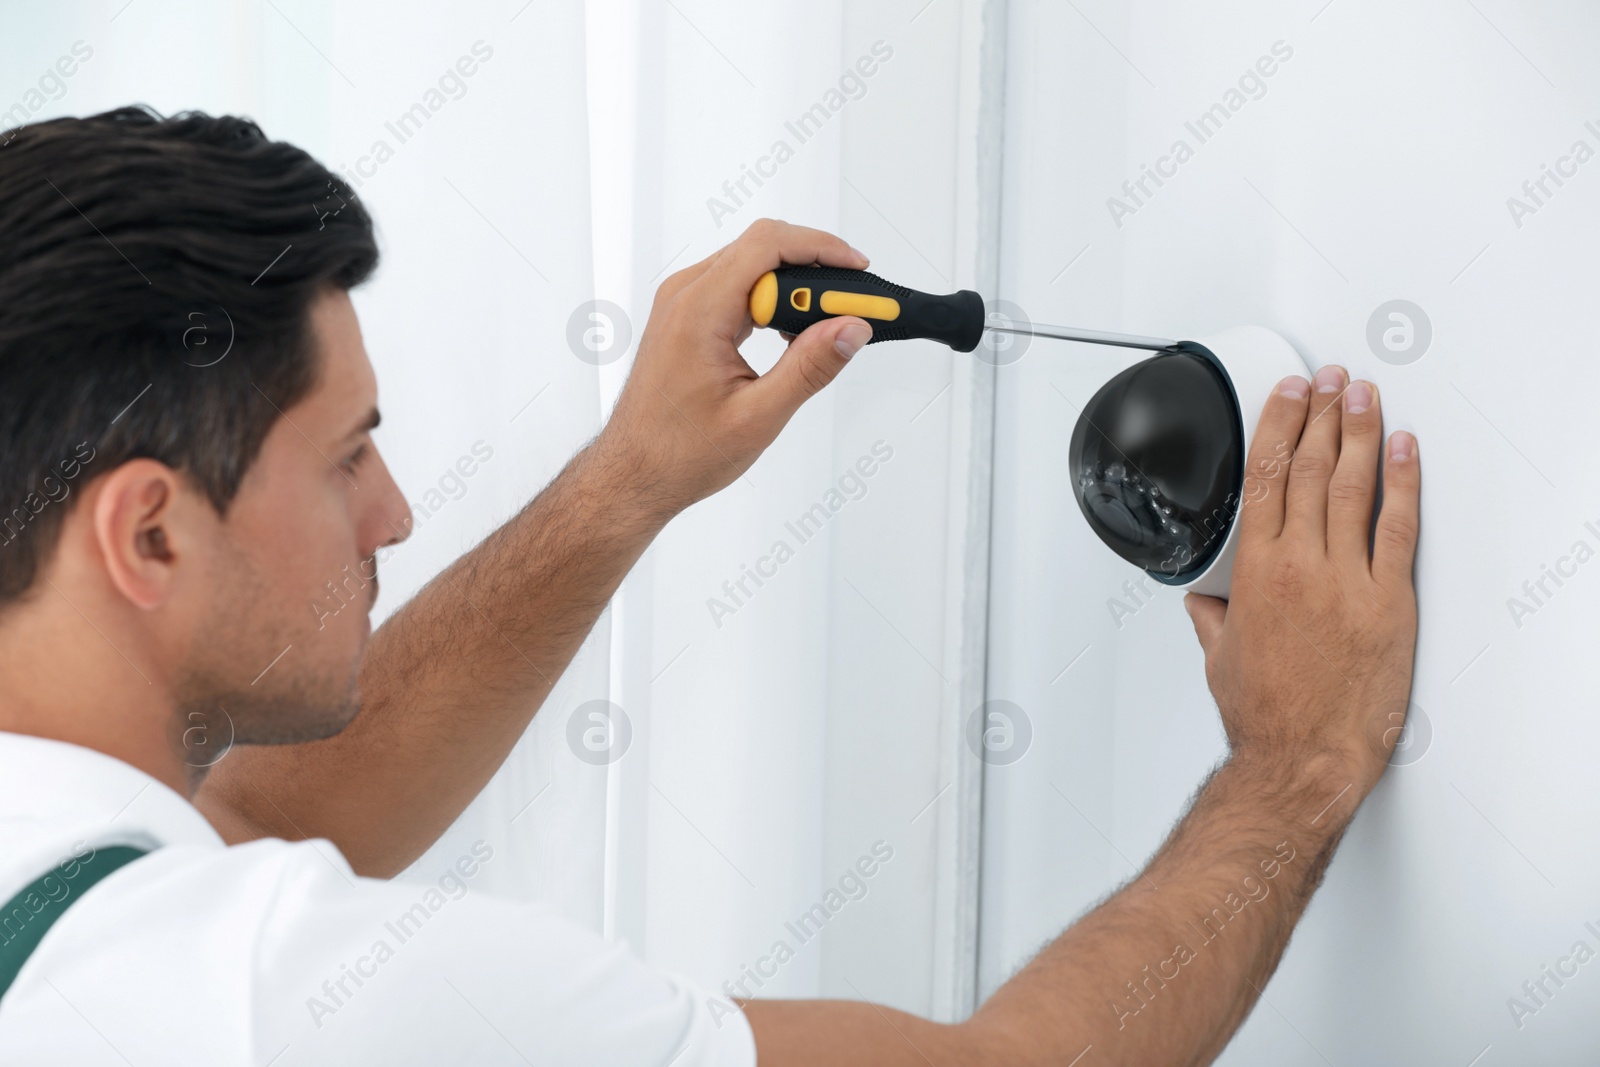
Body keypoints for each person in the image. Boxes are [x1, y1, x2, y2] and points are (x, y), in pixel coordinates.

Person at [0, 107, 1420, 1065]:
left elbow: (249, 823)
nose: (396, 511)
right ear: (149, 539)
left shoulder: (87, 878)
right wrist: (1295, 765)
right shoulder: (281, 1007)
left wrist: (631, 478)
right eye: (347, 457)